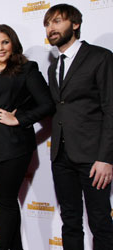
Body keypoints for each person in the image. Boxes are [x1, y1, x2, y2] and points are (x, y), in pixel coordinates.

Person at [0, 24, 54, 250]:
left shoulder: (26, 70)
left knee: (7, 202)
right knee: (6, 202)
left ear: (13, 43)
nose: (0, 48)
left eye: (5, 42)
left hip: (14, 146)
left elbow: (47, 104)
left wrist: (19, 119)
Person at [43, 3, 113, 250]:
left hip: (93, 159)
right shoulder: (53, 67)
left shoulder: (100, 57)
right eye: (48, 23)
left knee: (101, 222)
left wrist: (106, 158)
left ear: (75, 24)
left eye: (58, 21)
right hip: (61, 157)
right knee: (70, 221)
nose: (51, 28)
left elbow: (110, 109)